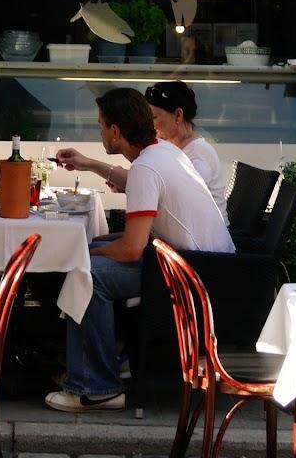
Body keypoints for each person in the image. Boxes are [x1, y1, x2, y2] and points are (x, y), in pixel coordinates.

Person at [45, 87, 234, 412]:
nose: (100, 130)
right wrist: (89, 165)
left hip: (198, 274)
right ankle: (90, 368)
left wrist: (86, 254)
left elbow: (132, 249)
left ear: (116, 132)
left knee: (90, 273)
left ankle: (96, 387)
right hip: (208, 264)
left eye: (101, 125)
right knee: (93, 253)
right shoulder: (162, 151)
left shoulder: (148, 167)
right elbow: (132, 195)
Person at [90, 80, 227, 218]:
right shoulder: (166, 148)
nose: (148, 124)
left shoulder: (198, 154)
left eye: (153, 117)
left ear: (178, 115)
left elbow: (178, 202)